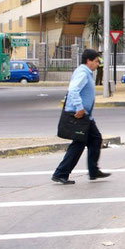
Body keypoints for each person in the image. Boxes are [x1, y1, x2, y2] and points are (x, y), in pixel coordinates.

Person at [52, 49, 111, 185]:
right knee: (79, 143)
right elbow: (73, 90)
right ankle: (61, 173)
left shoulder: (86, 73)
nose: (98, 64)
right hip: (80, 115)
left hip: (86, 116)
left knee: (95, 139)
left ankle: (93, 170)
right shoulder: (83, 73)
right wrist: (79, 107)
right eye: (96, 61)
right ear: (88, 61)